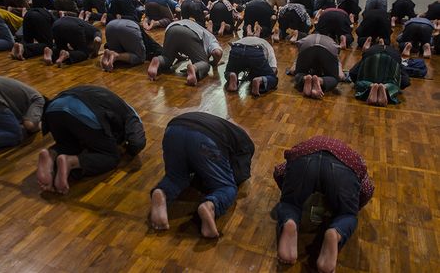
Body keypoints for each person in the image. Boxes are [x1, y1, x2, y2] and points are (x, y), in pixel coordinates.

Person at [273, 136, 374, 272]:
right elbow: (367, 189)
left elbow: (279, 172)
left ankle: (289, 221)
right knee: (347, 215)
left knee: (290, 204)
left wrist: (289, 193)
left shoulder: (305, 145)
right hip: (343, 170)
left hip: (303, 161)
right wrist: (353, 206)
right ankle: (335, 232)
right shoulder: (353, 156)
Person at [150, 111, 254, 238]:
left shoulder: (222, 123)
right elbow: (239, 176)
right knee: (227, 187)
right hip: (205, 140)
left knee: (175, 178)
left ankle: (162, 192)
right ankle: (210, 206)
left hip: (173, 129)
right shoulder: (247, 145)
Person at [37, 85, 146, 194]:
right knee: (111, 156)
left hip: (53, 109)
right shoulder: (131, 114)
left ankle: (51, 154)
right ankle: (71, 162)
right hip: (83, 111)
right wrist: (128, 150)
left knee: (69, 145)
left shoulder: (111, 99)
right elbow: (137, 143)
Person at [147, 19, 223, 86]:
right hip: (190, 33)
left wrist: (179, 57)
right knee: (204, 63)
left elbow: (176, 46)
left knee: (167, 58)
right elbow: (217, 53)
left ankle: (157, 60)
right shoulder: (211, 38)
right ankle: (194, 68)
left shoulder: (200, 28)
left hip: (171, 29)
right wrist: (214, 63)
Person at [291, 34, 345, 99]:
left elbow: (293, 69)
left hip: (307, 44)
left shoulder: (309, 36)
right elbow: (340, 75)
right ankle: (320, 80)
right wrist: (338, 74)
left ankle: (305, 78)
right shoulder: (333, 43)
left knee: (298, 73)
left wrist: (296, 70)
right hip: (329, 48)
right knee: (334, 78)